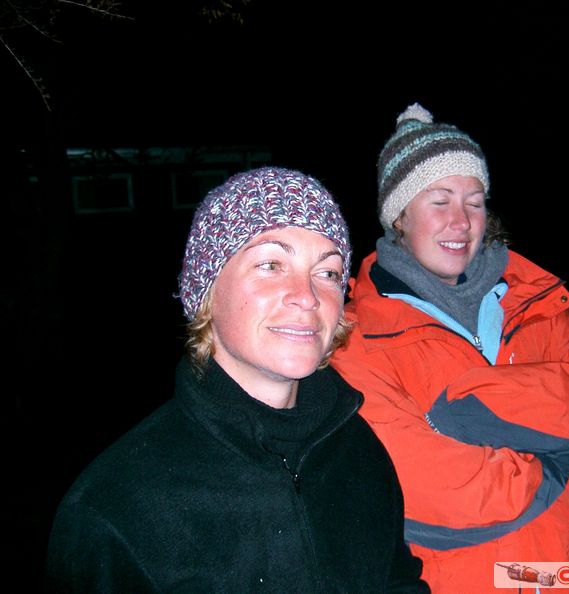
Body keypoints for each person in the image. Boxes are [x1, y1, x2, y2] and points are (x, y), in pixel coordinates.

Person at [45, 166, 429, 593]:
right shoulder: (117, 505)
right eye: (271, 264)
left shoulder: (359, 449)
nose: (307, 296)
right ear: (208, 290)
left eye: (328, 273)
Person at [330, 104, 569, 593]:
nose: (462, 221)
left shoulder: (533, 298)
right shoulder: (357, 337)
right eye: (439, 200)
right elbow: (429, 489)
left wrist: (467, 405)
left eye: (474, 201)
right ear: (400, 215)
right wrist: (553, 459)